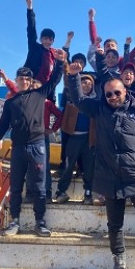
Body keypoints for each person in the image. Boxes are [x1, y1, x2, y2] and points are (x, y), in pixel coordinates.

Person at [67, 64, 135, 269]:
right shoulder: (99, 108)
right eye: (108, 94)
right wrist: (74, 76)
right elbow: (79, 101)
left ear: (125, 91)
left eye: (116, 93)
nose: (112, 97)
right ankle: (119, 266)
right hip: (109, 175)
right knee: (114, 225)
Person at [0, 48, 66, 237]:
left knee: (40, 186)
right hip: (18, 147)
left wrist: (59, 62)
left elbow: (55, 80)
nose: (24, 81)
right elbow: (3, 124)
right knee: (16, 186)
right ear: (16, 81)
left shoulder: (40, 94)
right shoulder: (10, 103)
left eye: (27, 79)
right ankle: (14, 222)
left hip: (37, 146)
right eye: (21, 78)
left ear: (31, 81)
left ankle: (40, 223)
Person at [56, 73, 96, 205]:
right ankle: (61, 191)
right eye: (83, 82)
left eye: (89, 84)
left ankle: (88, 193)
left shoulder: (94, 103)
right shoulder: (72, 100)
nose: (86, 85)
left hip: (88, 139)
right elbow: (63, 119)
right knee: (68, 166)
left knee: (89, 168)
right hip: (73, 138)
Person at [23, 0, 56, 86]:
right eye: (45, 38)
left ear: (53, 41)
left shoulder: (54, 55)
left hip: (44, 89)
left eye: (50, 39)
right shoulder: (35, 47)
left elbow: (55, 74)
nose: (47, 41)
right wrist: (30, 8)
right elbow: (31, 29)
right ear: (41, 39)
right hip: (30, 86)